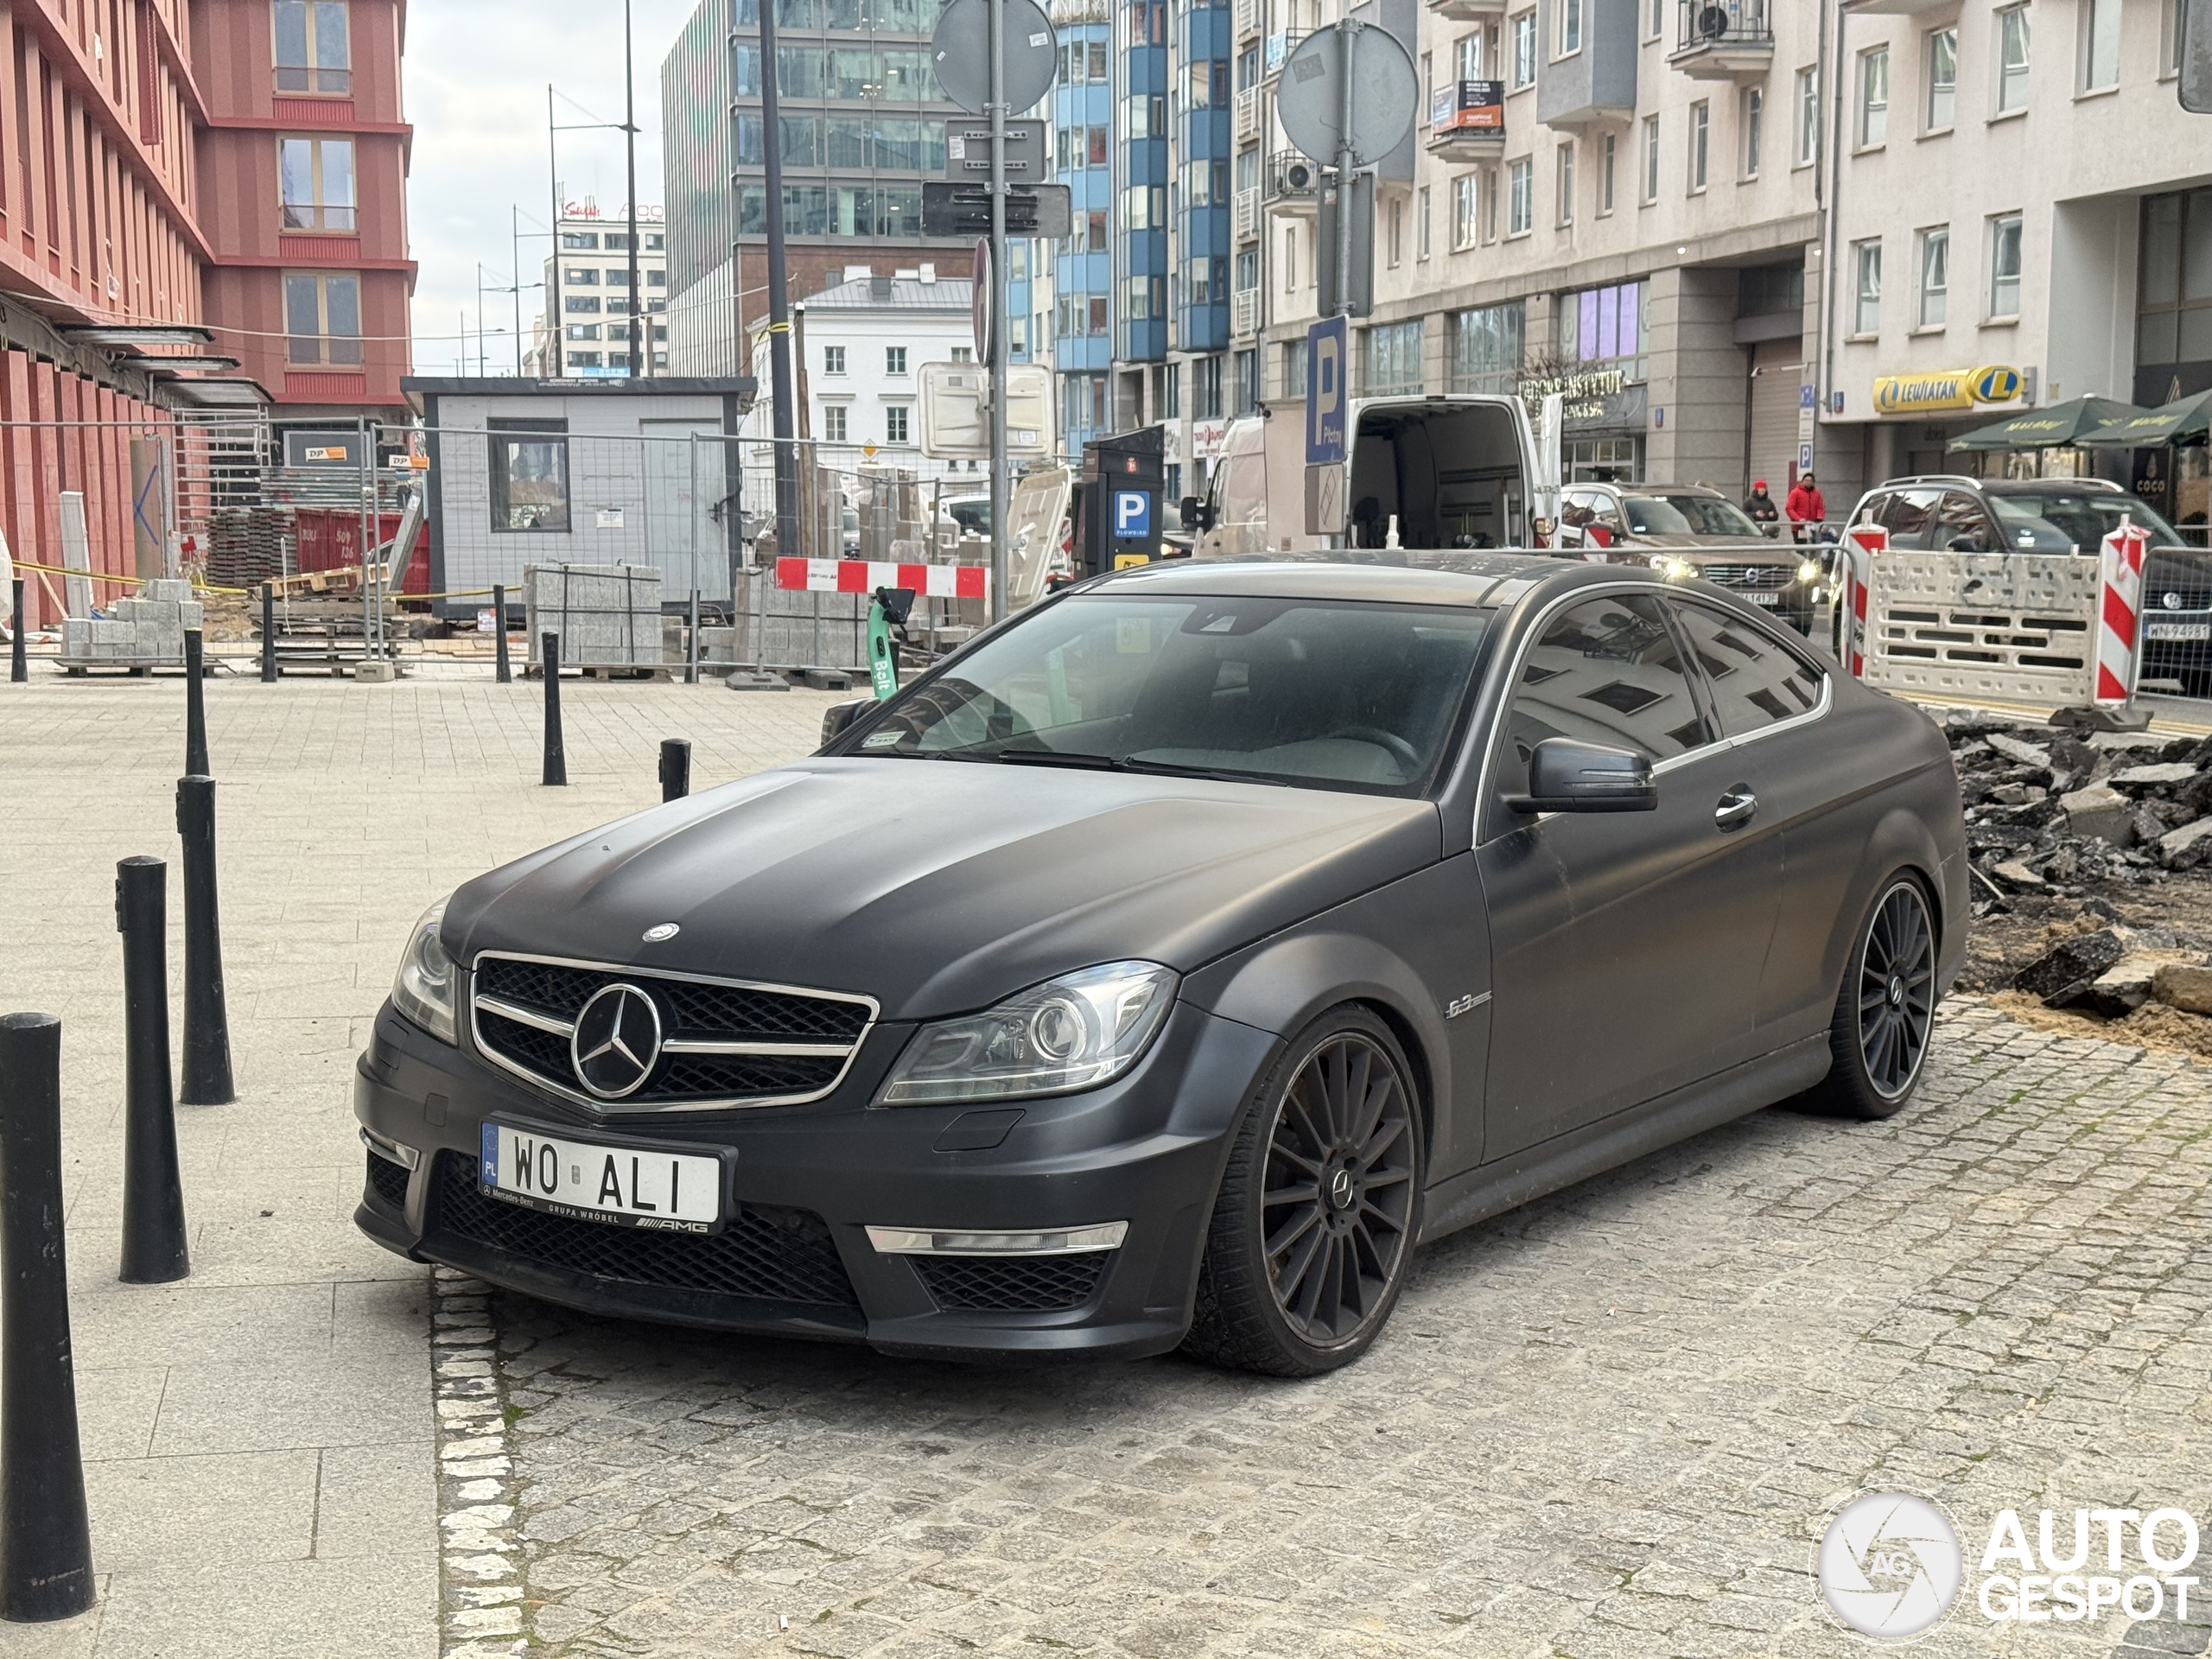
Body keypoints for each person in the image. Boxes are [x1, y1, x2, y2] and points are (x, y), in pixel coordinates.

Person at [1786, 472, 1826, 542]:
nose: (1808, 482)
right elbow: (1789, 508)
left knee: (1815, 544)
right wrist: (1799, 519)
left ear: (1813, 482)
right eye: (1806, 480)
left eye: (1810, 481)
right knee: (1801, 545)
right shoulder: (1795, 492)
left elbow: (1820, 507)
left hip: (1814, 526)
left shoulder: (1817, 493)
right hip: (1799, 527)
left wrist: (1819, 518)